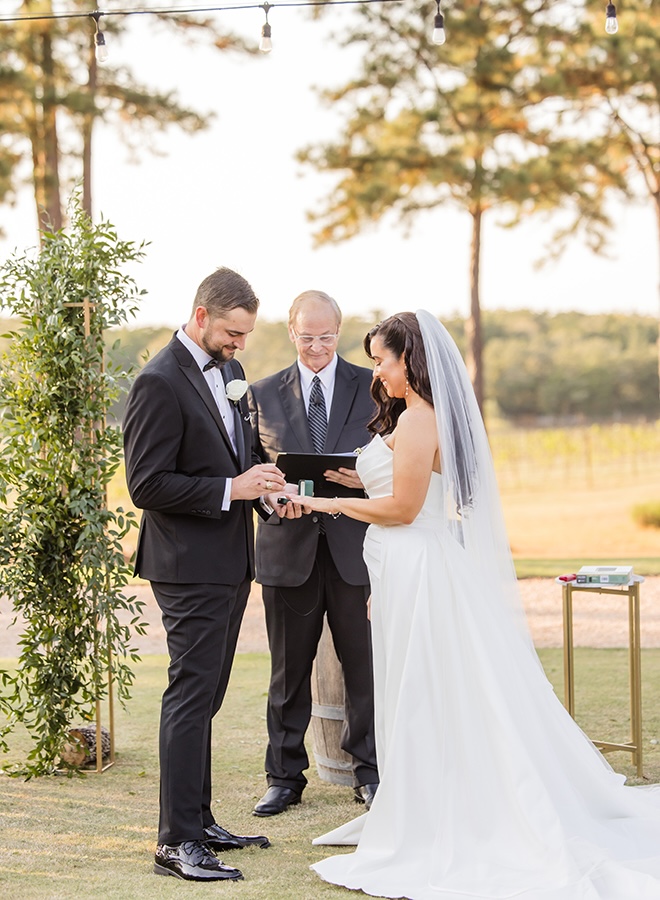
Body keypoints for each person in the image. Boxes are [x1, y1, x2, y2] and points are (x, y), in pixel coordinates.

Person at [290, 310, 660, 899]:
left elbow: (405, 510)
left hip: (417, 563)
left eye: (384, 360)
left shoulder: (418, 420)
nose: (378, 372)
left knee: (423, 690)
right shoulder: (413, 419)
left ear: (411, 359)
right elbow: (405, 488)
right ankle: (413, 801)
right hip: (400, 569)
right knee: (412, 685)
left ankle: (435, 813)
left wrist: (324, 506)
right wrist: (357, 482)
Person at [123, 267, 288, 882]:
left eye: (244, 334)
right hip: (187, 568)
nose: (239, 344)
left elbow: (240, 456)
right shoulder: (159, 381)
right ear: (200, 316)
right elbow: (146, 483)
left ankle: (200, 818)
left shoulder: (231, 373)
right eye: (231, 332)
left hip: (229, 562)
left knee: (209, 696)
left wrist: (265, 488)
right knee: (190, 696)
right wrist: (230, 488)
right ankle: (176, 843)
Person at [248, 290, 379, 817]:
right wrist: (272, 500)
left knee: (364, 667)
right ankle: (283, 776)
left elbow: (395, 463)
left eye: (326, 337)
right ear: (290, 332)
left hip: (357, 551)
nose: (317, 347)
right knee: (288, 672)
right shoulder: (259, 393)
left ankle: (369, 772)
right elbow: (252, 472)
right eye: (307, 337)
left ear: (340, 332)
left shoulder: (373, 388)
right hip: (289, 550)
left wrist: (363, 479)